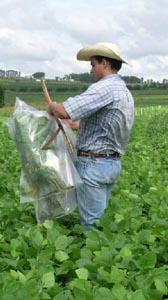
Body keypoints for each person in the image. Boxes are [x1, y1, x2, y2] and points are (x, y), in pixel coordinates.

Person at [47, 42, 135, 230]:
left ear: (105, 63)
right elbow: (101, 125)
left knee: (92, 224)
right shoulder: (123, 91)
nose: (91, 70)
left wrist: (53, 107)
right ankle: (108, 253)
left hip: (94, 164)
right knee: (101, 219)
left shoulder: (105, 88)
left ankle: (100, 258)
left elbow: (64, 110)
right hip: (111, 164)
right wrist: (70, 124)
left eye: (93, 64)